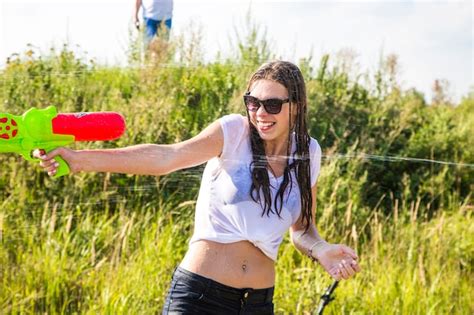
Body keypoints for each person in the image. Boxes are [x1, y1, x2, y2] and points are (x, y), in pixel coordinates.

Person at [34, 60, 361, 314]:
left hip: (258, 304)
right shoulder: (233, 132)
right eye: (253, 102)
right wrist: (79, 160)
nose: (260, 113)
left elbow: (303, 229)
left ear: (297, 106)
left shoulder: (309, 153)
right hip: (201, 297)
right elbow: (165, 157)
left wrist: (322, 250)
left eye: (273, 105)